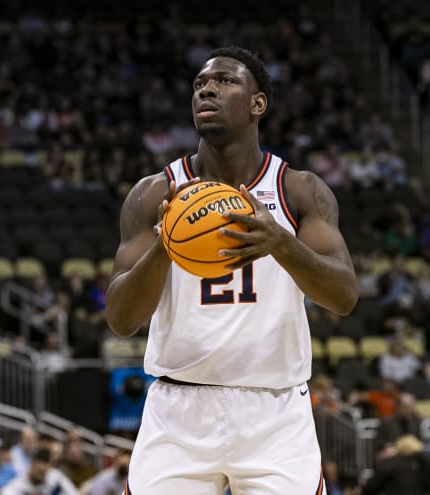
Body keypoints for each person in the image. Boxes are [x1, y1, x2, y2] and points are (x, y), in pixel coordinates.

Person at [105, 46, 358, 494]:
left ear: (257, 104)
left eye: (224, 81)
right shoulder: (153, 194)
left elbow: (343, 297)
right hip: (179, 409)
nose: (207, 89)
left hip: (275, 412)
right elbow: (122, 320)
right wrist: (164, 248)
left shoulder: (298, 191)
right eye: (200, 84)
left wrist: (282, 243)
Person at [2, 447, 77, 495]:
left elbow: (73, 492)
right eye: (40, 472)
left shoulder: (55, 477)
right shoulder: (17, 486)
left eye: (45, 473)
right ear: (32, 465)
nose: (42, 476)